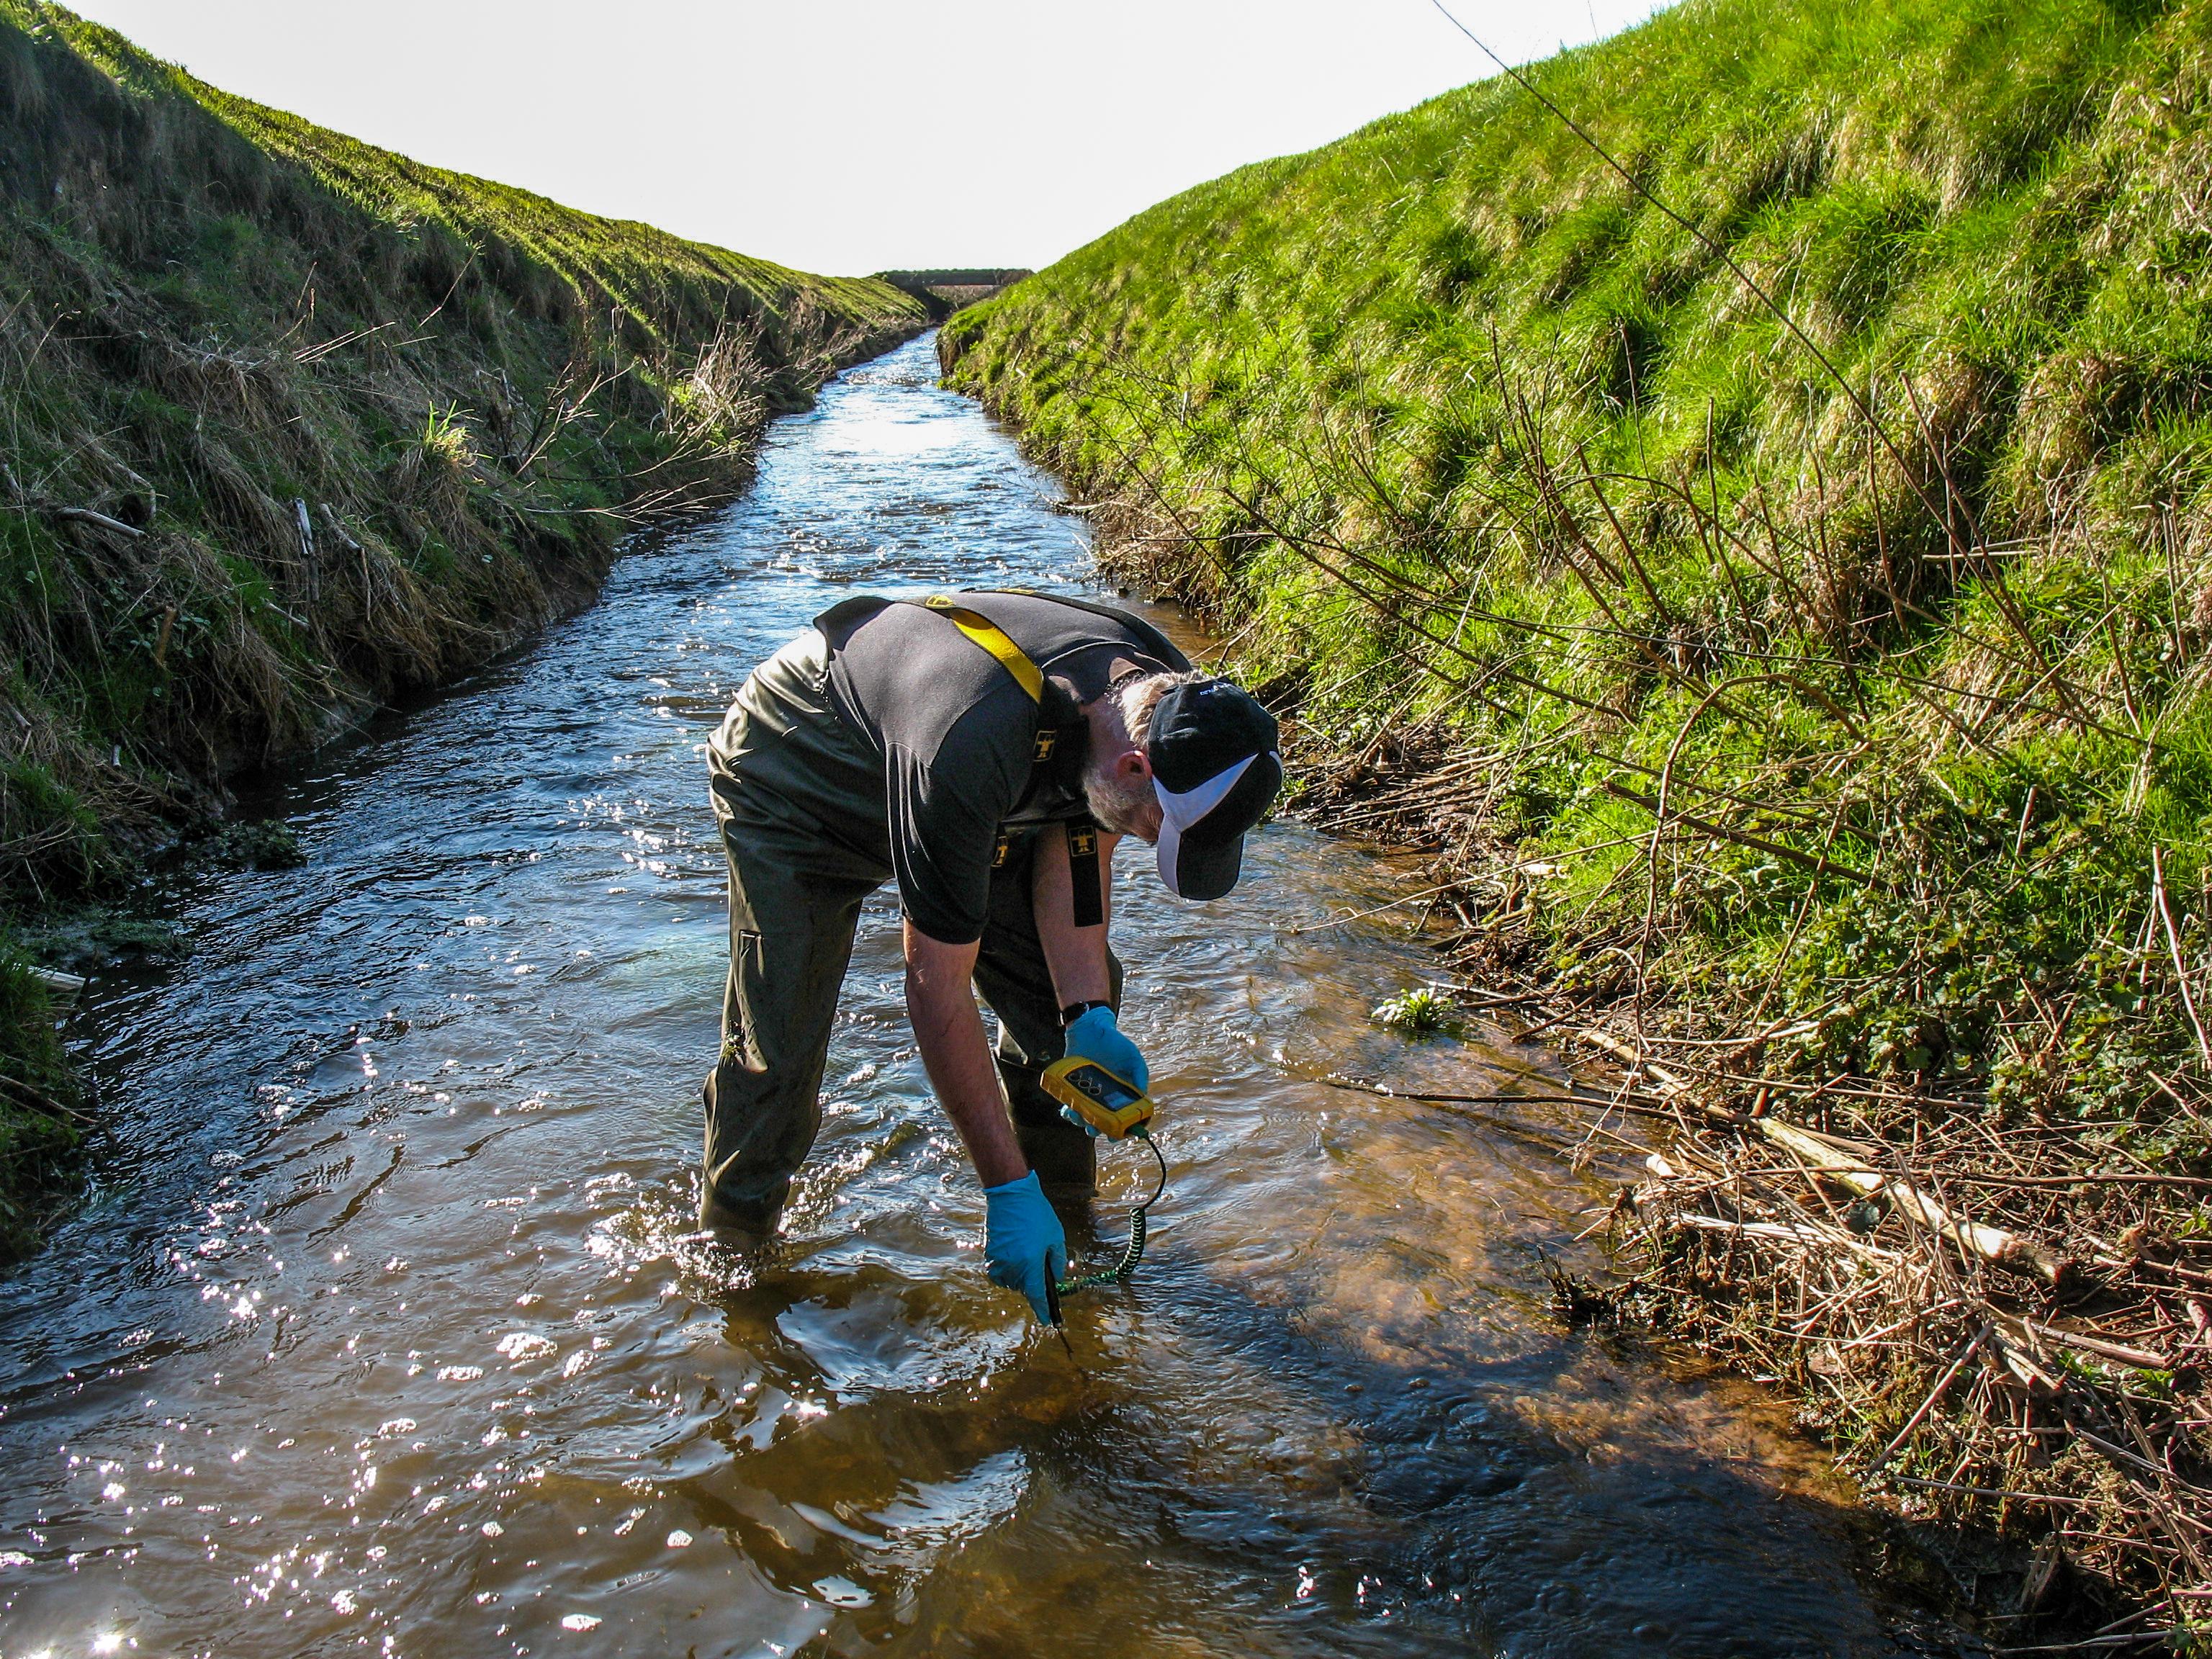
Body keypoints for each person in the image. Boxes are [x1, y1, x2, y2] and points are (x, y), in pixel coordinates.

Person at [698, 588, 1282, 1322]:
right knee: (779, 1049)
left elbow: (1080, 834)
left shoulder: (1174, 706)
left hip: (955, 771)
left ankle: (1068, 1224)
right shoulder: (969, 742)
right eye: (1154, 827)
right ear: (1136, 768)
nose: (1144, 838)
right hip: (802, 774)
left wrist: (1086, 1014)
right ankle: (733, 1269)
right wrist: (1002, 1190)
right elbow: (933, 985)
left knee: (1061, 1004)